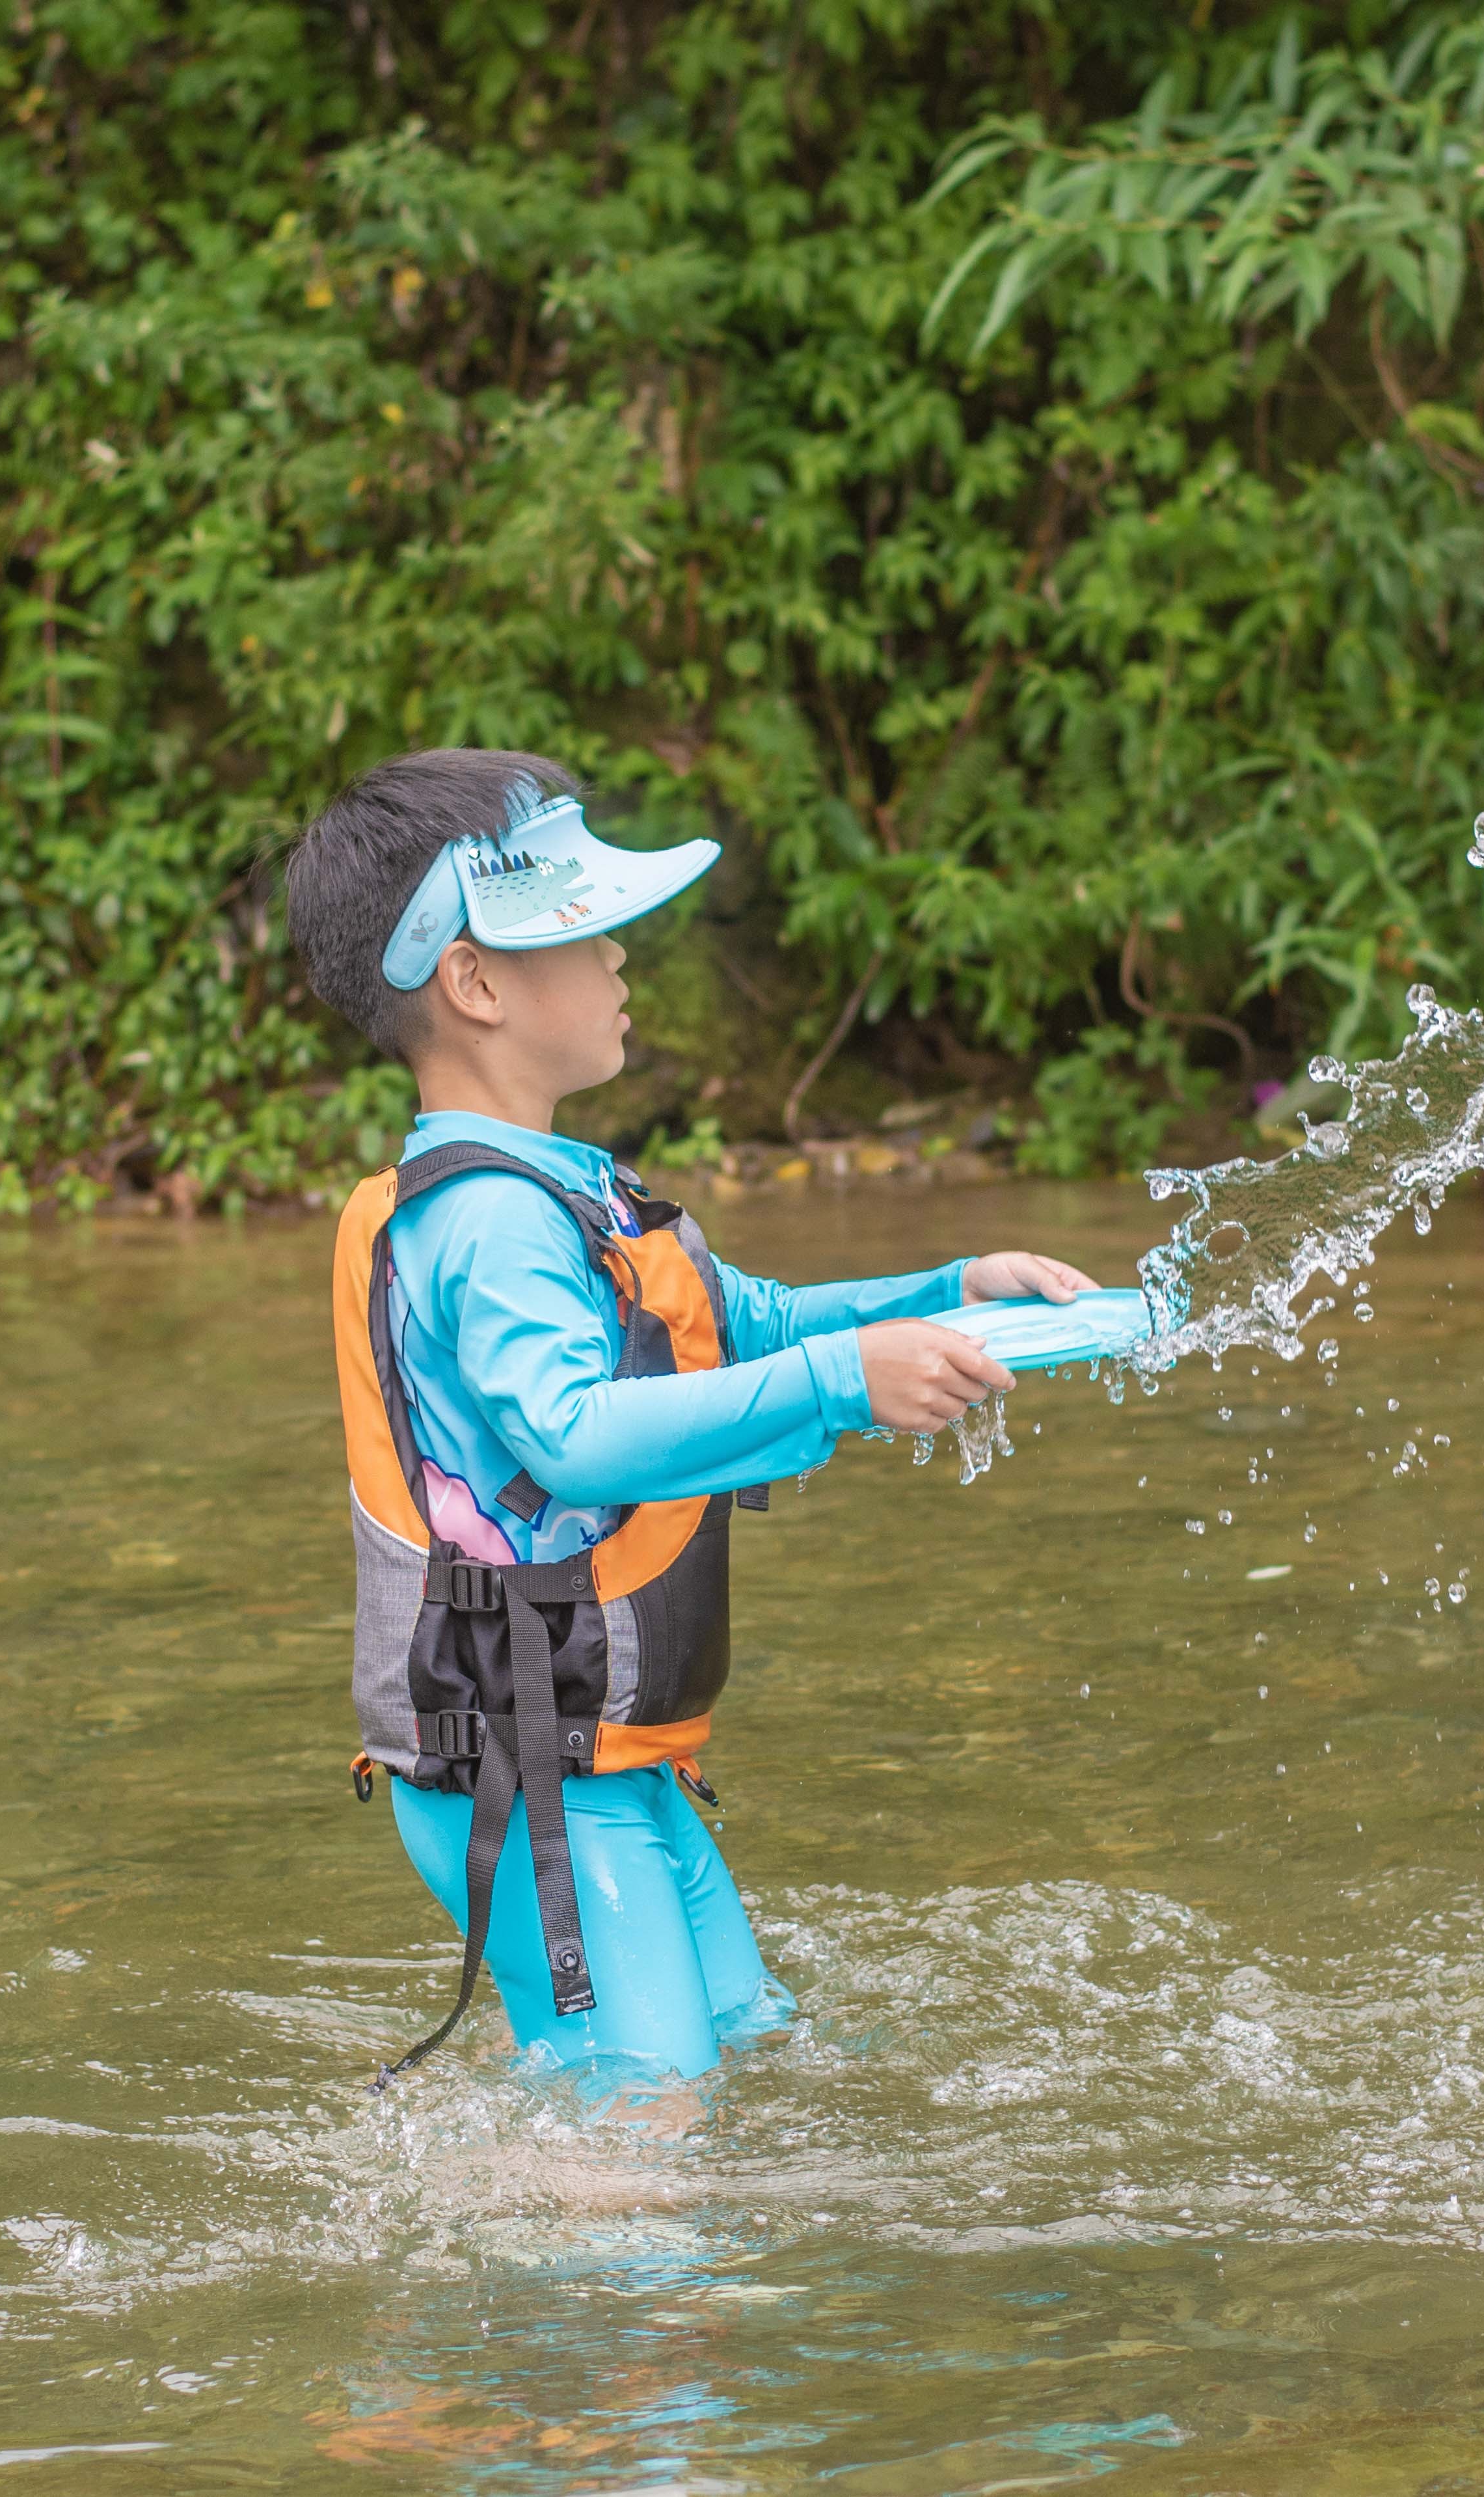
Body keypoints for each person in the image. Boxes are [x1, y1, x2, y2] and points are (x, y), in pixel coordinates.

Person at [285, 748, 1096, 2086]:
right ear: (476, 982)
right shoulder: (487, 1220)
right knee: (644, 2116)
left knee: (752, 2047)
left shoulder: (561, 1189)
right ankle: (521, 2272)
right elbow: (574, 1433)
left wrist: (947, 1294)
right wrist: (847, 1385)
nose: (618, 960)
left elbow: (740, 1317)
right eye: (581, 932)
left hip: (600, 1764)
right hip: (533, 1781)